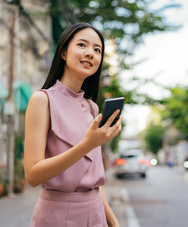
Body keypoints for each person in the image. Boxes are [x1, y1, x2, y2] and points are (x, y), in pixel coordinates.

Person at [24, 22, 121, 227]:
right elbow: (32, 175)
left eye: (97, 50)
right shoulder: (42, 100)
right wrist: (88, 144)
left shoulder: (93, 108)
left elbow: (91, 182)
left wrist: (113, 222)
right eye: (82, 45)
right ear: (63, 53)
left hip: (96, 215)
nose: (90, 53)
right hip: (57, 215)